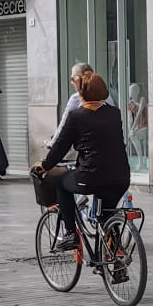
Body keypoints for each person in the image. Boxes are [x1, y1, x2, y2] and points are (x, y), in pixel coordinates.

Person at [34, 73, 132, 278]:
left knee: (61, 183)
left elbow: (61, 146)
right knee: (107, 215)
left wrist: (44, 165)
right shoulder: (114, 113)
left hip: (91, 176)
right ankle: (116, 263)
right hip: (121, 177)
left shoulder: (77, 116)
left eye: (79, 91)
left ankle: (70, 233)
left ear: (84, 94)